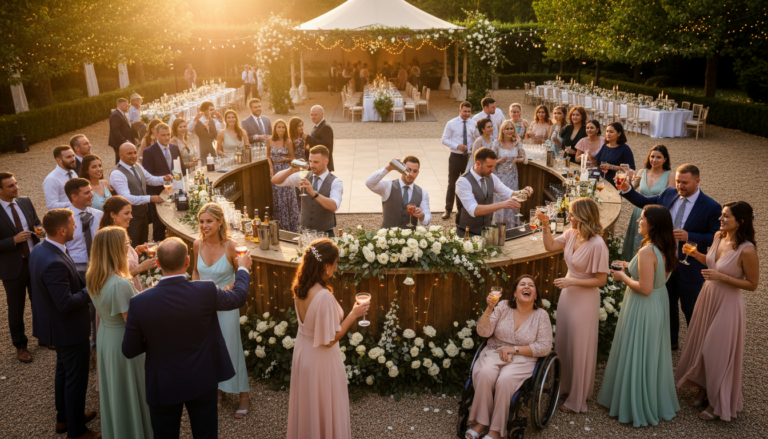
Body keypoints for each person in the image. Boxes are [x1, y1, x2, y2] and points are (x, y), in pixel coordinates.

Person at [122, 237, 250, 438]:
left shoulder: (139, 302)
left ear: (157, 262)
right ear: (188, 262)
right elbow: (238, 298)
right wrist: (242, 268)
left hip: (163, 382)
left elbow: (130, 349)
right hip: (202, 377)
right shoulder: (206, 290)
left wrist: (157, 341)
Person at [618, 164, 721, 349]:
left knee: (691, 309)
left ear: (697, 181)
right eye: (679, 181)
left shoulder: (712, 207)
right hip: (664, 262)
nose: (680, 186)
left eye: (685, 183)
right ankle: (671, 340)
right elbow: (645, 203)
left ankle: (697, 348)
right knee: (668, 303)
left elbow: (716, 237)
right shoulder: (668, 193)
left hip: (690, 267)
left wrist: (690, 236)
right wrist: (627, 190)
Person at [675, 201, 759, 422]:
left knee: (715, 350)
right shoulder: (718, 237)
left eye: (725, 217)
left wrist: (724, 278)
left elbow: (752, 284)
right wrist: (695, 255)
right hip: (708, 296)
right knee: (701, 345)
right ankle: (703, 390)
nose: (720, 220)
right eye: (721, 215)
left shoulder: (747, 250)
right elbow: (712, 264)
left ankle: (717, 401)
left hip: (728, 303)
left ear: (740, 222)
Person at [598, 205, 680, 426]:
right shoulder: (667, 246)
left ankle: (634, 404)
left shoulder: (647, 251)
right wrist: (630, 266)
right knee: (650, 352)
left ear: (652, 224)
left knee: (638, 350)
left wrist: (622, 276)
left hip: (643, 305)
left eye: (641, 218)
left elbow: (644, 288)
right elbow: (655, 274)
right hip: (658, 303)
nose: (637, 221)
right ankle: (650, 397)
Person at [287, 238, 369, 439]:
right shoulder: (323, 296)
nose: (336, 267)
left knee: (309, 407)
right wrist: (353, 314)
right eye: (336, 263)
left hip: (303, 355)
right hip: (321, 362)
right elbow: (330, 339)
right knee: (325, 405)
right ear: (326, 265)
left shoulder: (301, 287)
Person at [30, 209, 99, 439]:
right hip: (68, 330)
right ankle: (77, 431)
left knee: (63, 372)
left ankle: (65, 419)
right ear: (62, 230)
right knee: (75, 380)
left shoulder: (42, 248)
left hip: (56, 327)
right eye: (72, 225)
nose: (76, 229)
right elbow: (66, 303)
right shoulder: (53, 262)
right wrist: (91, 287)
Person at [537, 198, 608, 413]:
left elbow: (601, 280)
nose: (569, 218)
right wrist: (545, 225)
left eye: (572, 214)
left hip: (585, 299)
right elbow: (550, 246)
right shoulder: (570, 234)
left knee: (579, 345)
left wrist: (572, 281)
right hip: (568, 295)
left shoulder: (597, 245)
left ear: (584, 216)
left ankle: (578, 398)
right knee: (565, 341)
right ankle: (563, 386)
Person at [465, 275, 553, 439]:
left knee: (505, 379)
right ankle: (482, 422)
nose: (526, 287)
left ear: (535, 294)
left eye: (531, 285)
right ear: (514, 292)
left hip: (523, 357)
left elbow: (545, 347)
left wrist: (514, 349)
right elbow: (483, 332)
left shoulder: (541, 315)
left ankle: (496, 431)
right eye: (522, 284)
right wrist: (489, 308)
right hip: (495, 351)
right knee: (485, 374)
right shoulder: (503, 306)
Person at [86, 226, 153, 438]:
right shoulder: (120, 284)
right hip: (124, 340)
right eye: (126, 243)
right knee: (131, 390)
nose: (128, 246)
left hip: (106, 336)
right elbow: (132, 322)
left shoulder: (94, 276)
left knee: (115, 391)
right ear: (116, 248)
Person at [191, 204, 251, 418]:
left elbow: (241, 276)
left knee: (230, 347)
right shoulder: (197, 244)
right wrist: (195, 291)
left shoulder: (231, 247)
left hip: (226, 305)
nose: (204, 225)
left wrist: (229, 287)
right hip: (204, 307)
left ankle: (243, 394)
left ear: (219, 222)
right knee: (209, 350)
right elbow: (196, 272)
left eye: (209, 221)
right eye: (202, 221)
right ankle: (217, 391)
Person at [0, 172, 44, 363]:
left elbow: (36, 222)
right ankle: (21, 346)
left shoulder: (25, 201)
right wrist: (13, 240)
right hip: (12, 268)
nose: (16, 187)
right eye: (11, 186)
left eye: (16, 183)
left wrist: (39, 229)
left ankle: (43, 336)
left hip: (34, 261)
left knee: (40, 302)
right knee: (16, 308)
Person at [456, 148, 532, 238]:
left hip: (486, 232)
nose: (493, 169)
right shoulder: (463, 182)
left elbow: (508, 193)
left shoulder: (491, 177)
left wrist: (524, 192)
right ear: (478, 164)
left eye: (493, 166)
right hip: (466, 233)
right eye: (489, 166)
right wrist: (503, 204)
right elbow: (473, 210)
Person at [109, 142, 171, 247]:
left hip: (143, 214)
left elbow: (150, 179)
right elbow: (126, 198)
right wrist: (150, 198)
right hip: (129, 219)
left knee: (143, 245)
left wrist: (163, 179)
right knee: (133, 247)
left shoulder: (136, 165)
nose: (133, 156)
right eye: (129, 153)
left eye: (134, 153)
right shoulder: (117, 174)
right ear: (121, 155)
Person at [272, 146, 342, 237]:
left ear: (326, 161)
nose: (312, 165)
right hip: (304, 234)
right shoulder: (303, 176)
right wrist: (291, 170)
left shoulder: (336, 182)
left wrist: (314, 193)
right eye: (310, 161)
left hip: (325, 235)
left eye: (316, 162)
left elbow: (334, 206)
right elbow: (275, 180)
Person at [621, 145, 674, 261]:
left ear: (665, 159)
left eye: (658, 157)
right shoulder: (642, 171)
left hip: (657, 215)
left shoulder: (670, 175)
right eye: (652, 156)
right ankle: (631, 265)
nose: (654, 160)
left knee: (652, 244)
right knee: (636, 240)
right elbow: (631, 190)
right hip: (639, 212)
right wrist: (627, 182)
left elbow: (669, 198)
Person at [98, 196, 157, 292]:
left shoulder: (122, 233)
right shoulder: (108, 240)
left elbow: (125, 260)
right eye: (126, 213)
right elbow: (113, 281)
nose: (131, 216)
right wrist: (140, 268)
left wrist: (136, 250)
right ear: (113, 214)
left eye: (130, 213)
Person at [143, 122, 185, 241]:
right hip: (158, 194)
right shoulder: (149, 152)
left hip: (175, 190)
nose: (167, 138)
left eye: (168, 134)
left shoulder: (174, 148)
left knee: (176, 220)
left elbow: (181, 169)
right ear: (156, 135)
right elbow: (147, 176)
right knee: (159, 227)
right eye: (163, 135)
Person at [365, 156, 432, 228]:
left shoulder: (422, 193)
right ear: (402, 169)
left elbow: (427, 222)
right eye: (408, 170)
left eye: (415, 171)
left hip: (410, 237)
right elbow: (369, 183)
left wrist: (422, 216)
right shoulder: (388, 185)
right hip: (387, 237)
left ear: (418, 172)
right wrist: (389, 168)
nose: (411, 174)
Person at [441, 101, 476, 221]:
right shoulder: (451, 123)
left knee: (466, 183)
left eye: (469, 112)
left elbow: (476, 139)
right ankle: (448, 209)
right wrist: (457, 146)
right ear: (460, 110)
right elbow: (444, 140)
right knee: (452, 183)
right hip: (455, 157)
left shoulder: (473, 124)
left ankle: (461, 209)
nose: (467, 114)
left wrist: (471, 149)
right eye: (465, 111)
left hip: (468, 158)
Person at [267, 120, 300, 232]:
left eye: (283, 127)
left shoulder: (288, 141)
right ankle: (281, 225)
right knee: (278, 198)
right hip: (275, 170)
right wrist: (271, 168)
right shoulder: (269, 140)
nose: (281, 129)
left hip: (286, 170)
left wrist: (284, 159)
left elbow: (293, 158)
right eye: (279, 127)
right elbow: (268, 156)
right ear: (275, 129)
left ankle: (292, 225)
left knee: (288, 196)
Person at [493, 121, 527, 227]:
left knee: (512, 198)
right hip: (500, 175)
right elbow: (490, 160)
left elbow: (524, 158)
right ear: (502, 130)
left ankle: (512, 225)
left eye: (511, 128)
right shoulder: (497, 143)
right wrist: (499, 161)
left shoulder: (517, 142)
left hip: (512, 175)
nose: (509, 131)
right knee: (500, 199)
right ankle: (499, 225)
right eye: (507, 129)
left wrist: (517, 159)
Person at [595, 122, 635, 187]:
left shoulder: (625, 149)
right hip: (603, 183)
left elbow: (631, 171)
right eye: (607, 131)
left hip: (618, 184)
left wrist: (612, 167)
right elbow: (597, 161)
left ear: (619, 134)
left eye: (611, 132)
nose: (608, 134)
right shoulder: (605, 146)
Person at [44, 145, 78, 210]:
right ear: (59, 160)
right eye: (68, 157)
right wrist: (74, 203)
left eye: (73, 156)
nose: (73, 159)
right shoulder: (51, 179)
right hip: (65, 217)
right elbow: (51, 205)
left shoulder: (73, 172)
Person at [302, 105, 335, 172]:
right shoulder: (317, 125)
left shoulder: (326, 127)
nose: (313, 117)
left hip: (323, 165)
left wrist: (308, 137)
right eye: (311, 114)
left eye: (315, 115)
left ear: (322, 114)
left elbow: (324, 145)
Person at [109, 98, 135, 164]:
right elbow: (115, 130)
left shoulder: (121, 113)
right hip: (119, 143)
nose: (128, 107)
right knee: (120, 160)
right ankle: (118, 172)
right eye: (126, 105)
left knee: (124, 159)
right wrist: (124, 140)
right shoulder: (115, 115)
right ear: (121, 105)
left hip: (124, 141)